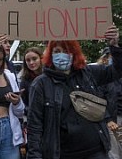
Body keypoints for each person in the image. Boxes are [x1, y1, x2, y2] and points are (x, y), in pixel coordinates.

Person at [27, 25, 122, 159]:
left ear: (74, 53)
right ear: (50, 54)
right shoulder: (41, 84)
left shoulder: (88, 73)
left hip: (96, 151)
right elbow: (35, 125)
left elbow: (117, 71)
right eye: (57, 51)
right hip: (63, 154)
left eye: (66, 51)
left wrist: (114, 46)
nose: (62, 55)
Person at [19, 47, 43, 113]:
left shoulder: (49, 77)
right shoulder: (25, 80)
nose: (31, 62)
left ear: (41, 59)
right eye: (28, 60)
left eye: (34, 59)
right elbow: (23, 103)